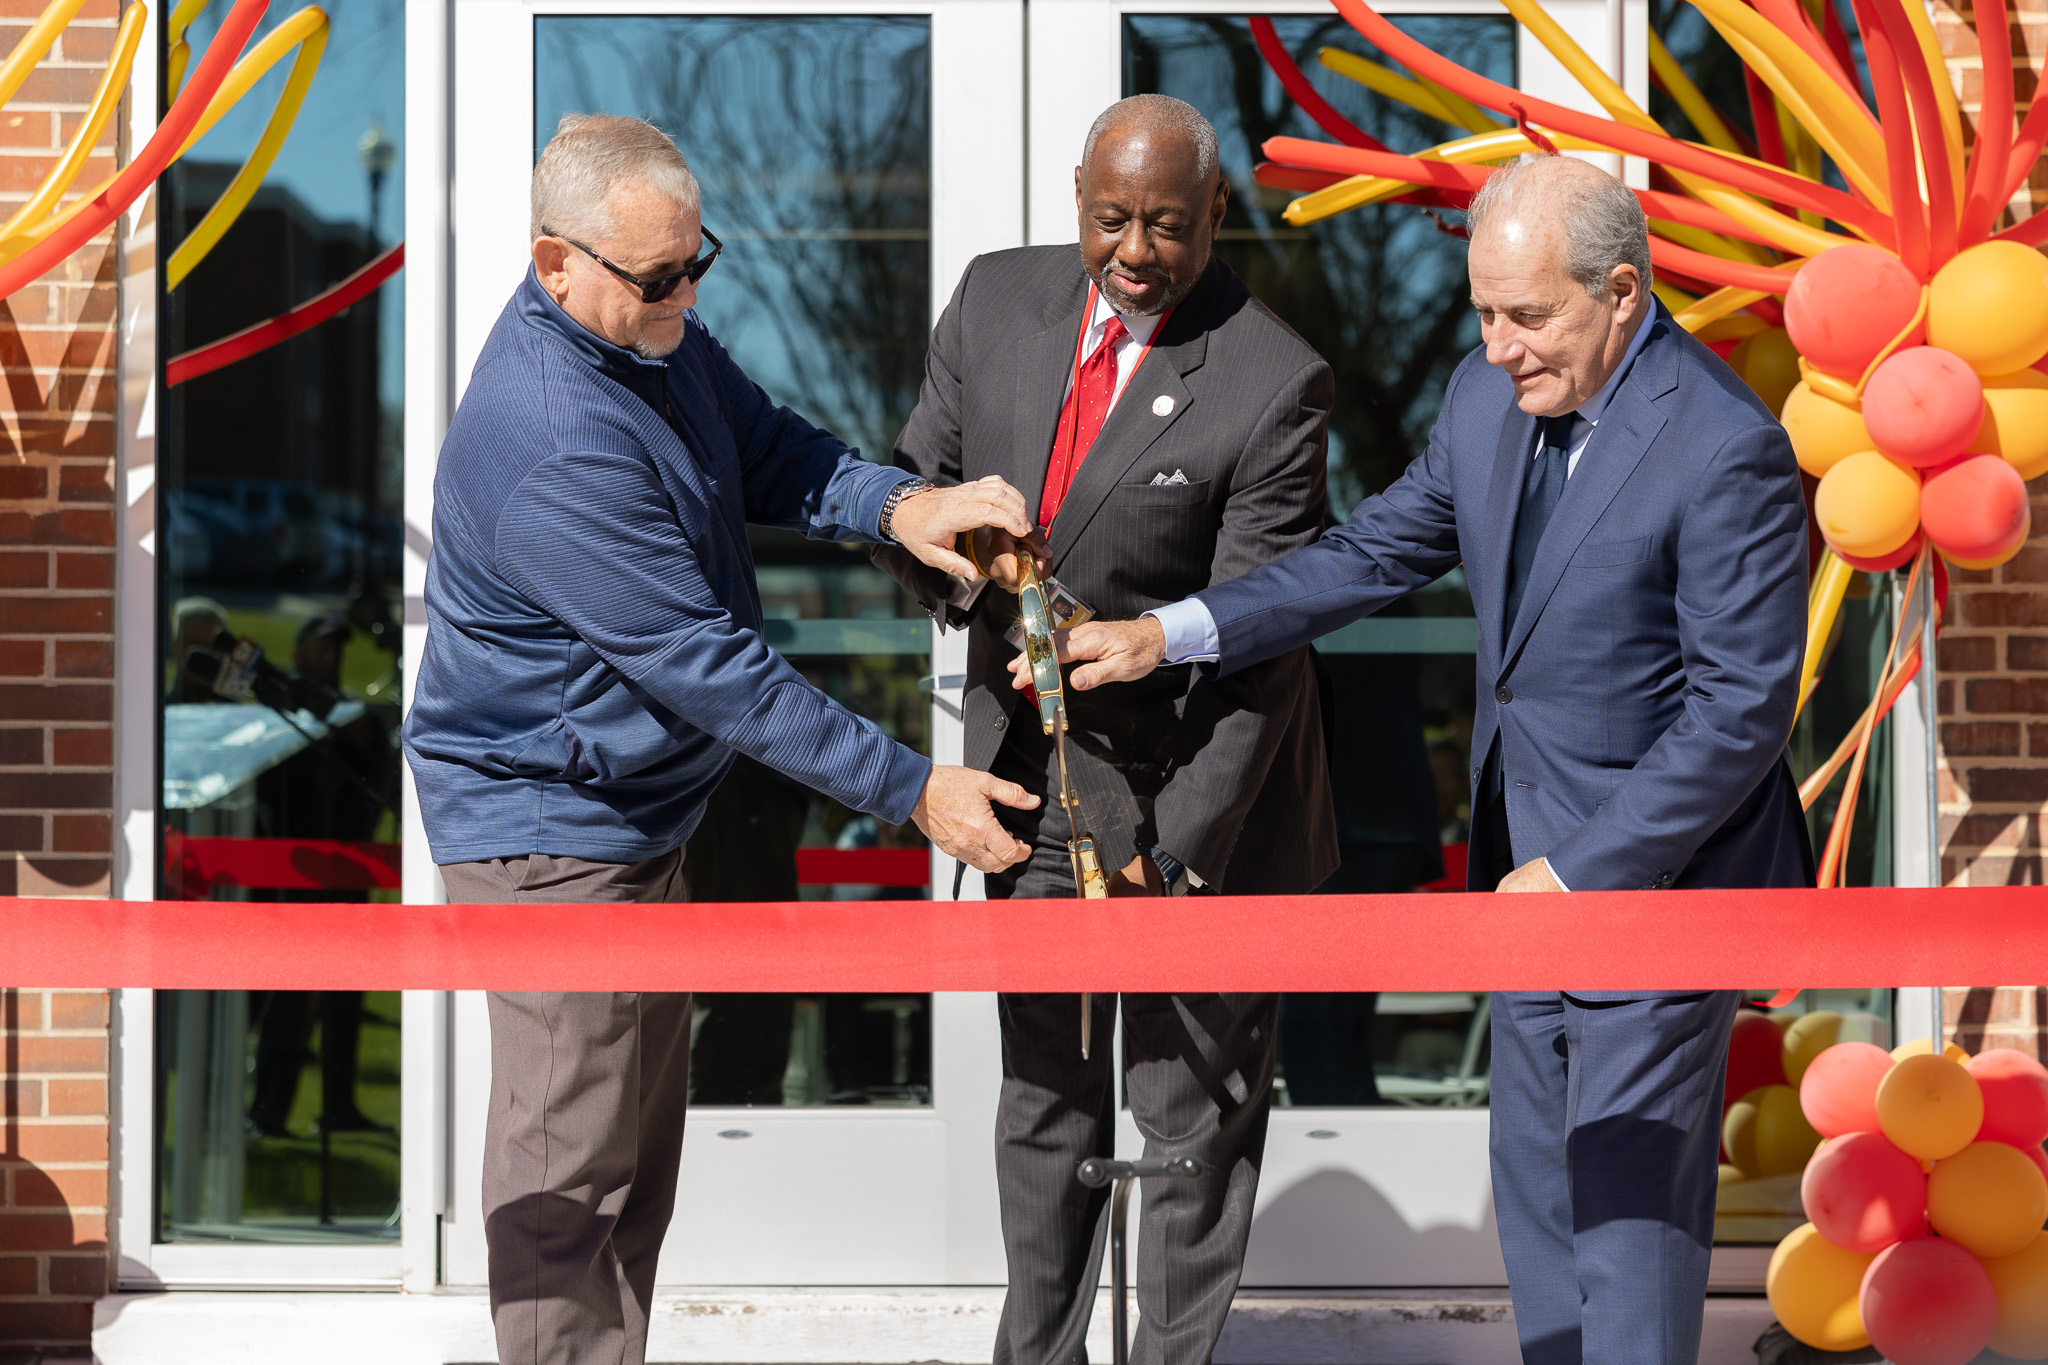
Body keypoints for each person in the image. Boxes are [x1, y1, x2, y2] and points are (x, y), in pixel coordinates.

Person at [1049, 153, 1813, 1363]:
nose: (1496, 344)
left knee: (1624, 1212)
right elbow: (1363, 555)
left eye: (1526, 316)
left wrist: (1580, 874)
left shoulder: (1726, 448)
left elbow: (1736, 715)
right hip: (1521, 879)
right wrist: (1171, 632)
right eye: (1479, 312)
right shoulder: (1482, 398)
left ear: (1620, 292)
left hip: (1651, 889)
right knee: (1534, 1197)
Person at [403, 114, 1044, 1365]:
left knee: (635, 1165)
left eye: (701, 263)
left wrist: (899, 506)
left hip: (636, 811)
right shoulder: (553, 440)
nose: (686, 296)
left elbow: (771, 446)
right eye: (657, 278)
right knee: (566, 1173)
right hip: (548, 835)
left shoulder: (649, 337)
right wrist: (910, 789)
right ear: (554, 264)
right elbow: (718, 676)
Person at [871, 95, 1337, 1364]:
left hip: (1201, 789)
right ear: (1077, 193)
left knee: (1185, 1116)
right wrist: (955, 549)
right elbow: (918, 493)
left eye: (1167, 227)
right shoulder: (989, 299)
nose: (1133, 250)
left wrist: (1177, 852)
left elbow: (1257, 642)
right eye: (1109, 217)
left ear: (1216, 218)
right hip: (1035, 786)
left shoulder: (1273, 377)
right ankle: (1039, 1355)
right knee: (1045, 1100)